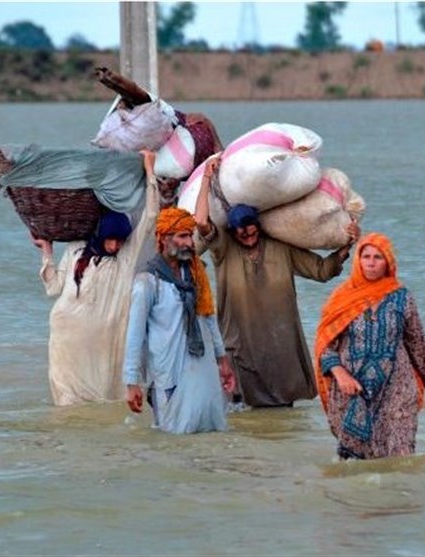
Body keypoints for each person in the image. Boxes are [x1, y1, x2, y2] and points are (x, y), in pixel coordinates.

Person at [193, 154, 360, 408]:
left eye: (250, 229)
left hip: (279, 344)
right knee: (239, 407)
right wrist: (206, 176)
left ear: (258, 226)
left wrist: (346, 245)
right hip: (239, 343)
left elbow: (323, 270)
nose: (246, 235)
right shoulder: (224, 249)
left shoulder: (282, 248)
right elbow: (201, 222)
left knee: (281, 408)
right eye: (240, 231)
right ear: (232, 232)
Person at [313, 232, 425, 460]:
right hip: (352, 393)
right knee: (354, 468)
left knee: (401, 459)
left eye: (378, 257)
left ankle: (403, 495)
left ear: (388, 262)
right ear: (358, 260)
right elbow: (325, 346)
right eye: (366, 256)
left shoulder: (402, 298)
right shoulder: (341, 298)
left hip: (397, 392)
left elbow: (419, 347)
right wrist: (340, 374)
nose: (371, 263)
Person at [31, 151, 159, 406]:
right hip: (68, 333)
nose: (115, 245)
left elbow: (151, 217)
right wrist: (47, 252)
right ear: (101, 235)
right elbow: (54, 287)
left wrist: (149, 171)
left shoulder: (125, 259)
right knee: (67, 397)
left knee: (105, 393)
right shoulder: (76, 250)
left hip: (105, 337)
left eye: (121, 240)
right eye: (112, 239)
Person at [122, 207, 237, 434]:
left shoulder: (195, 274)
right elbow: (135, 336)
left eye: (190, 236)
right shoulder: (147, 282)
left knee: (208, 429)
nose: (189, 243)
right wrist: (131, 382)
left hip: (201, 367)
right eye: (182, 236)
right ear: (164, 239)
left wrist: (222, 360)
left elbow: (209, 318)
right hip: (169, 373)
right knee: (173, 436)